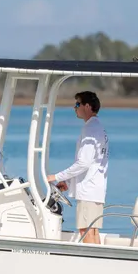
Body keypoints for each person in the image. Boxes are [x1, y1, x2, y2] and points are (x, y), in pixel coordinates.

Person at [48, 91, 109, 244]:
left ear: (87, 106)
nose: (74, 108)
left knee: (85, 230)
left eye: (77, 104)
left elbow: (84, 163)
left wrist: (56, 177)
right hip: (96, 188)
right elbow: (91, 163)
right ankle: (97, 258)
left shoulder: (90, 129)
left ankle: (91, 259)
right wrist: (68, 182)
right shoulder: (98, 127)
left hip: (88, 190)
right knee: (92, 230)